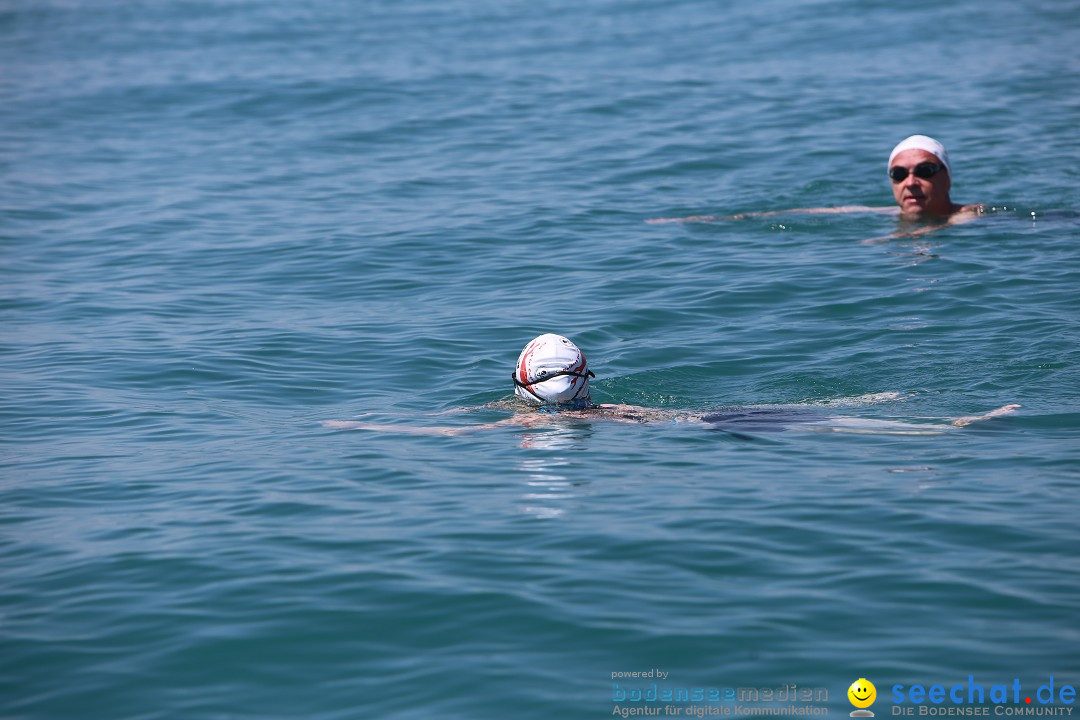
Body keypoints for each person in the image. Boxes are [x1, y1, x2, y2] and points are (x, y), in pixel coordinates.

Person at [323, 334, 1019, 436]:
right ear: (588, 380)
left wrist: (360, 425)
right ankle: (927, 420)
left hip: (687, 435)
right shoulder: (616, 413)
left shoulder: (515, 425)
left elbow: (440, 432)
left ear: (521, 386)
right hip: (694, 425)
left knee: (806, 422)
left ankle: (933, 423)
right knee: (805, 417)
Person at [646, 135, 986, 238]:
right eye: (899, 174)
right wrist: (704, 221)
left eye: (924, 170)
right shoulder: (884, 213)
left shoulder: (970, 218)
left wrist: (887, 240)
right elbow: (808, 212)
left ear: (947, 176)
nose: (911, 182)